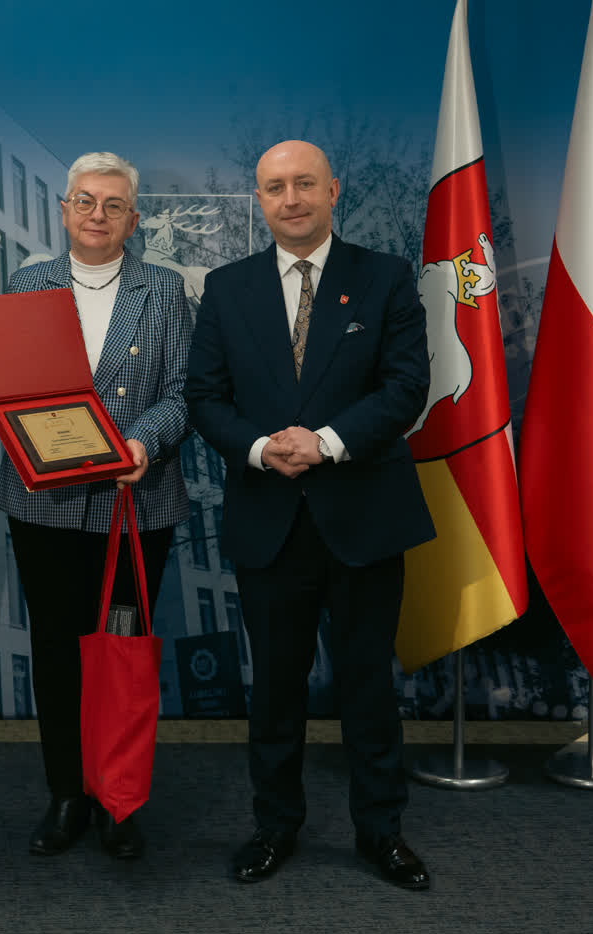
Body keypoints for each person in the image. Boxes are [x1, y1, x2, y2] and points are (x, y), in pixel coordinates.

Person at [184, 140, 435, 890]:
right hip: (269, 517)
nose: (290, 199)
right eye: (274, 187)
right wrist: (262, 448)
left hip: (363, 516)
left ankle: (382, 832)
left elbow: (405, 386)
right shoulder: (227, 287)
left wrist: (324, 442)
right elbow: (205, 397)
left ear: (334, 189)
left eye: (303, 184)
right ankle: (274, 826)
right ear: (258, 199)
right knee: (275, 689)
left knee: (367, 685)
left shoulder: (385, 277)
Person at [0, 152, 190, 860]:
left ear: (134, 219)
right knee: (57, 649)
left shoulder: (165, 289)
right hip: (44, 502)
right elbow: (15, 383)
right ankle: (67, 793)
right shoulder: (28, 282)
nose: (98, 215)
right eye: (85, 201)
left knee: (120, 653)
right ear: (63, 210)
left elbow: (184, 392)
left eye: (114, 204)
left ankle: (117, 800)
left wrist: (143, 440)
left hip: (135, 502)